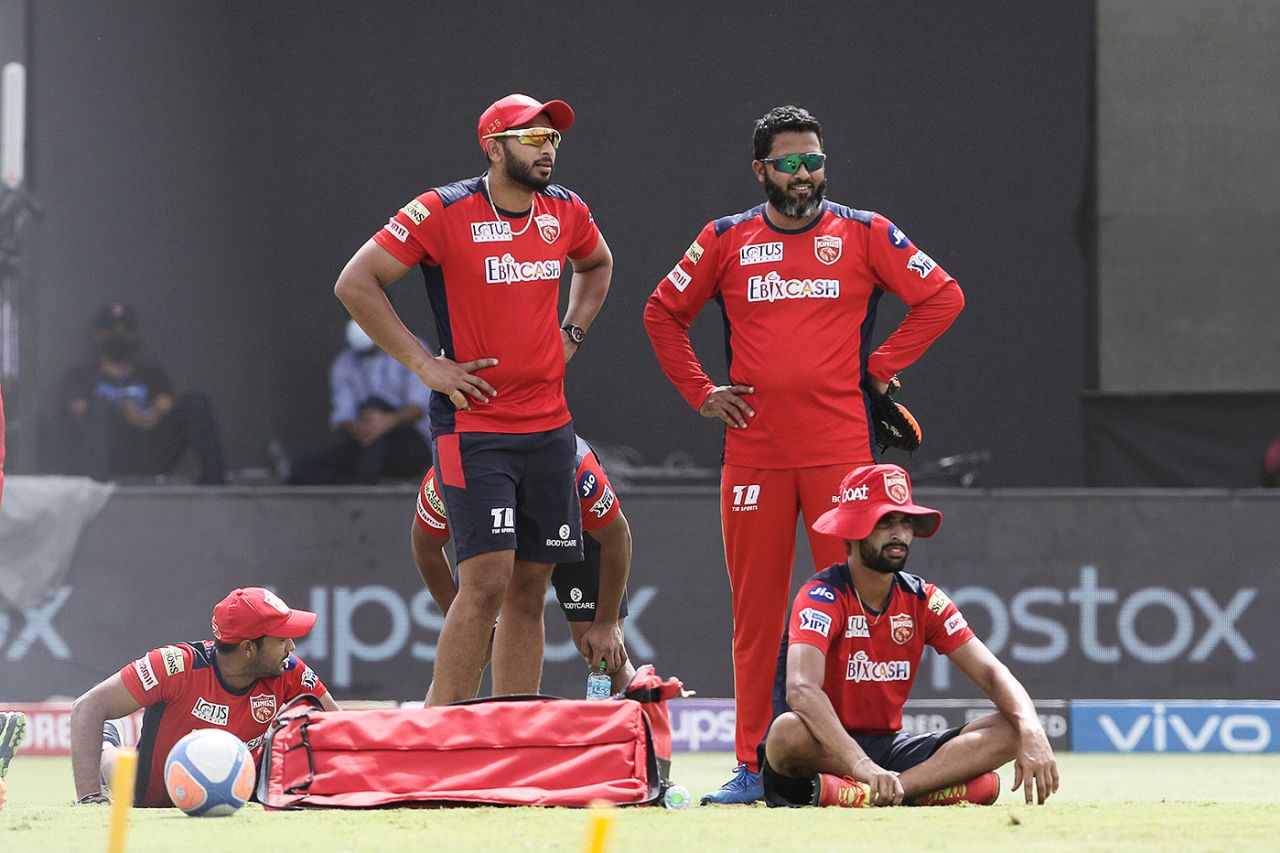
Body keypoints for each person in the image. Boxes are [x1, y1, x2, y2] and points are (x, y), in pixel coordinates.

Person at [643, 105, 965, 804]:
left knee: (852, 607)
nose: (804, 174)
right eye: (789, 163)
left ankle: (854, 756)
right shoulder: (724, 238)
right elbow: (662, 312)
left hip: (843, 458)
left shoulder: (865, 231)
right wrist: (701, 392)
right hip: (754, 455)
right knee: (759, 618)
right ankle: (756, 766)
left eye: (814, 160)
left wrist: (877, 366)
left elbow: (942, 296)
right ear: (760, 170)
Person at [333, 93, 612, 705]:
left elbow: (597, 264)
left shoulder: (566, 210)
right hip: (475, 426)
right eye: (531, 137)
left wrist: (572, 334)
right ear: (493, 146)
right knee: (485, 580)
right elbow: (355, 282)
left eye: (552, 138)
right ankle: (442, 737)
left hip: (549, 427)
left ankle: (510, 736)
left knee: (531, 586)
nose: (546, 148)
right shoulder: (442, 209)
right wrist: (423, 366)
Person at [762, 463, 1058, 808]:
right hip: (826, 745)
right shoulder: (821, 596)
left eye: (905, 522)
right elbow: (801, 690)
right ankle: (917, 789)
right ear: (853, 529)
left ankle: (883, 792)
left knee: (1012, 726)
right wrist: (861, 765)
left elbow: (993, 674)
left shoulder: (924, 599)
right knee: (786, 733)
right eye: (885, 521)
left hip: (891, 749)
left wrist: (1032, 729)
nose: (899, 533)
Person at [69, 587, 339, 807]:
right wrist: (90, 798)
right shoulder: (176, 666)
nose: (292, 647)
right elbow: (87, 707)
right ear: (248, 648)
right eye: (282, 639)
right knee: (119, 774)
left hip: (237, 789)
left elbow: (339, 727)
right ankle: (106, 741)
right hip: (152, 796)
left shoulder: (288, 669)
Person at [412, 433, 633, 693]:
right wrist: (459, 620)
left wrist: (606, 624)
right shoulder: (451, 474)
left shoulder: (576, 472)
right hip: (491, 528)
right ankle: (441, 727)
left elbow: (618, 537)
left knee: (604, 654)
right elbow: (426, 546)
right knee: (471, 647)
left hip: (575, 528)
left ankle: (649, 725)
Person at [56, 301, 227, 485]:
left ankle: (215, 482)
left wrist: (149, 416)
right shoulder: (80, 376)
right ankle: (93, 488)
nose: (118, 336)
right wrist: (122, 412)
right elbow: (80, 412)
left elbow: (165, 405)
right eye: (111, 330)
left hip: (151, 447)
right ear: (98, 335)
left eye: (125, 331)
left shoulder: (151, 374)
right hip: (112, 452)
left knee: (195, 401)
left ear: (136, 335)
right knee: (100, 407)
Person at [286, 319, 433, 485]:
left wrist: (385, 423)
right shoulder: (344, 363)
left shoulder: (413, 349)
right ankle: (361, 480)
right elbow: (343, 416)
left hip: (409, 444)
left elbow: (419, 406)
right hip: (366, 443)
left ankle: (365, 475)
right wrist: (361, 428)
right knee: (302, 468)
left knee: (376, 404)